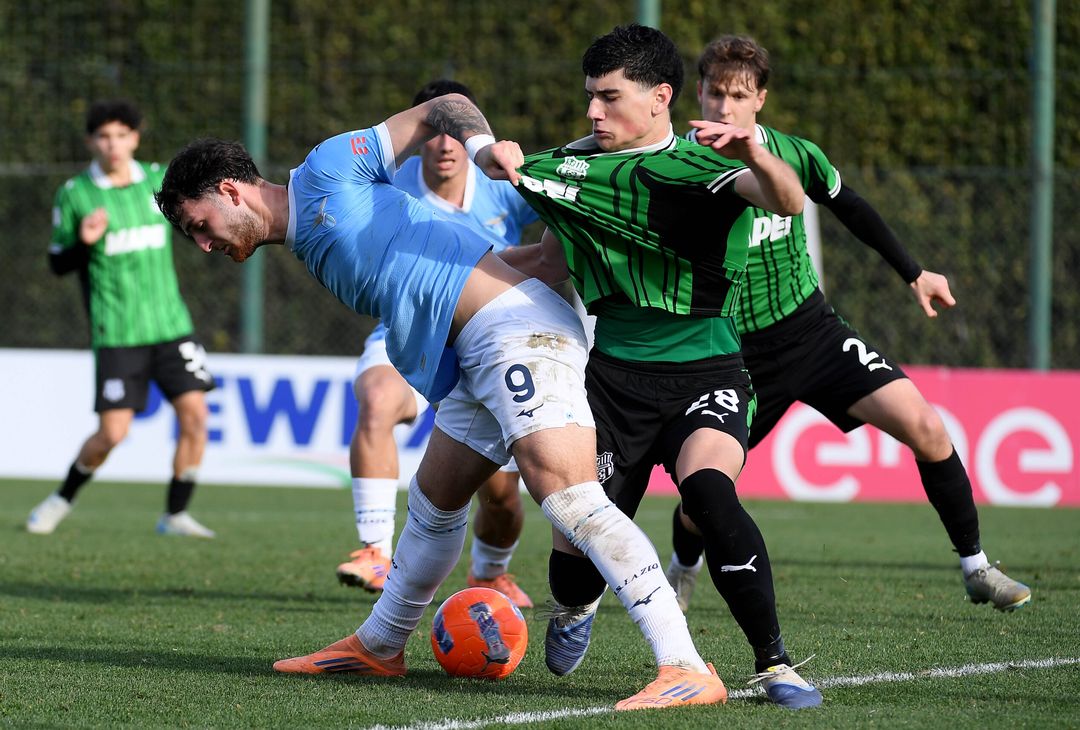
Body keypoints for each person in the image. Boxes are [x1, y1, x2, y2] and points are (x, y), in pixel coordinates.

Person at [155, 92, 729, 711]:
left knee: (570, 499)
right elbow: (457, 265)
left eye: (199, 226)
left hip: (514, 337)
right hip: (473, 354)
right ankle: (379, 644)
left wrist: (482, 150)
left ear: (230, 191)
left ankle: (685, 665)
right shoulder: (305, 233)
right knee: (434, 501)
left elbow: (446, 105)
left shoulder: (323, 171)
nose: (205, 246)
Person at [506, 25, 822, 709]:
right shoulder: (570, 169)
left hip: (709, 370)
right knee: (574, 556)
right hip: (612, 381)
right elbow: (549, 262)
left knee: (710, 493)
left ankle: (775, 663)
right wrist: (462, 281)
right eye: (589, 97)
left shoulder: (711, 164)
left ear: (660, 98)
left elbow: (789, 200)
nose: (593, 111)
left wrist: (758, 152)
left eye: (609, 97)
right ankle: (574, 609)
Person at [664, 35, 1031, 615]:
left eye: (738, 95)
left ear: (760, 98)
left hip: (812, 331)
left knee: (927, 428)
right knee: (701, 496)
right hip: (733, 353)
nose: (724, 107)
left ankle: (976, 566)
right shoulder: (675, 163)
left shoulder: (794, 153)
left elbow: (850, 205)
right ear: (699, 95)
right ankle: (683, 568)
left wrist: (914, 273)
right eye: (714, 93)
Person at [337, 79, 538, 608]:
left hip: (487, 333)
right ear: (421, 132)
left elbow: (560, 228)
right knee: (377, 402)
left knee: (499, 493)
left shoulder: (503, 182)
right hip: (408, 329)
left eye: (457, 134)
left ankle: (491, 573)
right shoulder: (389, 187)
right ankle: (374, 551)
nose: (446, 145)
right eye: (435, 133)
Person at [26, 100, 216, 538]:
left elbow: (195, 225)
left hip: (171, 327)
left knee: (196, 416)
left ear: (136, 137)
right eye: (103, 137)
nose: (112, 145)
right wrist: (84, 242)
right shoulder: (76, 194)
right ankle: (60, 499)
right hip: (118, 333)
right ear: (91, 141)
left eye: (121, 135)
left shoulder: (155, 181)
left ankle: (175, 515)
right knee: (112, 433)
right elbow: (57, 263)